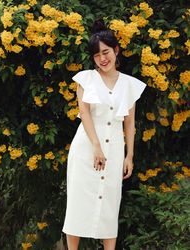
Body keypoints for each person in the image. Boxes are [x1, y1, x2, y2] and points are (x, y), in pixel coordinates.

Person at [62, 19, 147, 250]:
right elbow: (85, 113)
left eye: (106, 52)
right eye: (97, 55)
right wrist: (97, 146)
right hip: (87, 148)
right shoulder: (85, 79)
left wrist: (129, 156)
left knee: (110, 204)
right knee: (78, 203)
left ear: (116, 50)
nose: (103, 58)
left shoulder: (129, 85)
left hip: (115, 150)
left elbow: (129, 124)